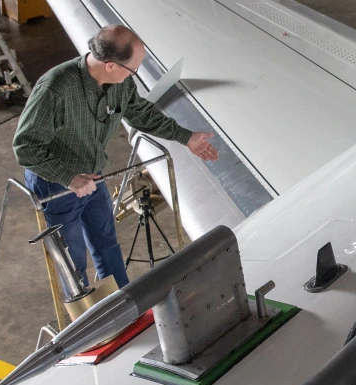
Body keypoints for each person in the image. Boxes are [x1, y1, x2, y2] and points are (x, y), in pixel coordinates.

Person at [13, 24, 218, 291]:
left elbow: (141, 113)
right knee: (72, 258)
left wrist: (186, 137)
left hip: (94, 176)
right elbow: (25, 147)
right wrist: (69, 179)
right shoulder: (55, 89)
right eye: (133, 68)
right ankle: (88, 318)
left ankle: (122, 303)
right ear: (110, 65)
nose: (135, 74)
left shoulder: (120, 83)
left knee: (107, 244)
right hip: (56, 185)